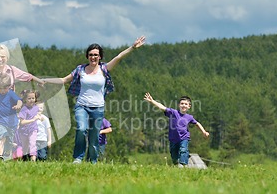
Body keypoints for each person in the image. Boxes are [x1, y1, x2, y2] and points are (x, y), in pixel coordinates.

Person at [43, 36, 146, 164]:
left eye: (96, 55)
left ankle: (93, 160)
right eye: (91, 54)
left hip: (98, 108)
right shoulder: (80, 70)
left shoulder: (104, 69)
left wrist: (132, 47)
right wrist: (46, 81)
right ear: (87, 56)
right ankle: (78, 158)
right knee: (81, 129)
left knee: (94, 136)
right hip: (82, 106)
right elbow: (63, 80)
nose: (93, 57)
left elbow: (119, 57)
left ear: (100, 57)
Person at [0, 44, 45, 124]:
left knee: (10, 135)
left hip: (10, 110)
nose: (0, 59)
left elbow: (28, 76)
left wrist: (40, 81)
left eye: (3, 56)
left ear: (7, 57)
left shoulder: (12, 70)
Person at [143, 93, 210, 167]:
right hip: (173, 139)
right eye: (182, 103)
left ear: (189, 106)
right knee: (174, 155)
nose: (183, 105)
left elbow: (197, 123)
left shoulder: (189, 117)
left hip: (184, 138)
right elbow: (162, 107)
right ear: (179, 105)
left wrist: (204, 132)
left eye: (186, 104)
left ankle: (183, 164)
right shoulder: (173, 112)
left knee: (183, 149)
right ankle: (177, 163)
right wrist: (152, 101)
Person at [18, 90, 41, 162]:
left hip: (33, 129)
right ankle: (24, 158)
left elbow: (38, 114)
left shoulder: (36, 107)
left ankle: (33, 160)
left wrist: (40, 117)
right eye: (29, 98)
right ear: (25, 99)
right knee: (24, 147)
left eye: (33, 98)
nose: (31, 100)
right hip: (24, 131)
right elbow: (22, 122)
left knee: (32, 143)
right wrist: (33, 120)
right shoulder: (24, 109)